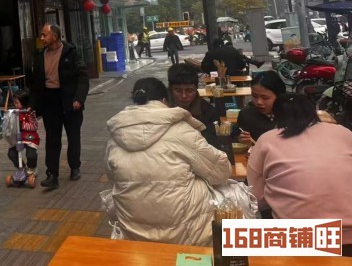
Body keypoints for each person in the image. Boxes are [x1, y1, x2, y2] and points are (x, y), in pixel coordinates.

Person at [104, 78, 230, 246]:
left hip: (132, 235)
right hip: (187, 237)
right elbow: (221, 172)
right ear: (164, 100)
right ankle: (241, 255)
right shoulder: (181, 131)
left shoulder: (115, 137)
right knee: (234, 195)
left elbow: (113, 179)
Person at [247, 93, 352, 256]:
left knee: (232, 238)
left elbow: (256, 199)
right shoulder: (343, 132)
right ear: (313, 112)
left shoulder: (267, 139)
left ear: (276, 116)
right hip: (348, 237)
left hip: (300, 238)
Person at [31, 23, 89, 189]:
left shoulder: (71, 52)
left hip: (70, 100)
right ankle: (52, 174)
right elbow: (35, 83)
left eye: (45, 35)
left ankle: (75, 167)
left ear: (55, 36)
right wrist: (34, 105)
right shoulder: (40, 55)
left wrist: (79, 99)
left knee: (73, 136)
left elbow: (82, 77)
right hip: (50, 101)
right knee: (52, 138)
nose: (42, 38)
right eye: (42, 35)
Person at [167, 63, 217, 145]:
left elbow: (211, 143)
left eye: (189, 91)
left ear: (196, 89)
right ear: (170, 89)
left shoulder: (208, 112)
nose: (184, 96)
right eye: (178, 91)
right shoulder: (159, 109)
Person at [236, 70, 286, 145]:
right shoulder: (246, 115)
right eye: (254, 96)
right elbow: (236, 138)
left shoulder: (291, 114)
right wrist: (243, 141)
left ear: (279, 96)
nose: (259, 102)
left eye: (265, 98)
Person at [6, 90, 39, 177]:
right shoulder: (14, 112)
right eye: (15, 102)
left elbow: (34, 125)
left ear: (24, 102)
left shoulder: (30, 112)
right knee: (11, 153)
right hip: (18, 137)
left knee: (31, 155)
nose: (15, 105)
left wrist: (22, 124)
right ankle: (22, 167)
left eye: (17, 102)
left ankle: (32, 167)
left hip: (29, 137)